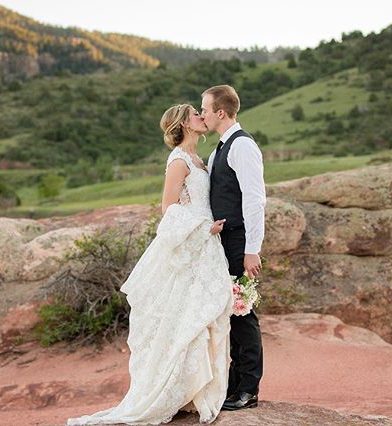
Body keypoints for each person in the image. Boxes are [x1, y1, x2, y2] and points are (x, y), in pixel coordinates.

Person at [66, 104, 234, 425]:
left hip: (205, 248)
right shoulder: (179, 161)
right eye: (195, 114)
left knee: (200, 316)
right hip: (191, 244)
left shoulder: (200, 159)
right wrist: (202, 228)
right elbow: (167, 208)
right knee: (185, 319)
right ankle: (173, 391)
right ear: (184, 125)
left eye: (202, 113)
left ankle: (193, 392)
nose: (202, 116)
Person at [201, 85, 265, 411]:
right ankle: (235, 383)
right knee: (230, 311)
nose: (202, 115)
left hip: (239, 242)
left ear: (221, 112)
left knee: (243, 312)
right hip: (223, 243)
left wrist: (252, 248)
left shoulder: (243, 147)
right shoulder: (219, 150)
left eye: (206, 110)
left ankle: (249, 389)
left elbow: (255, 200)